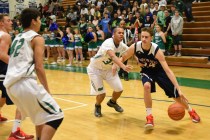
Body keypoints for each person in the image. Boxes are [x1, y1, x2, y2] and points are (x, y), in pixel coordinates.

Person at [119, 27, 200, 130]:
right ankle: (149, 117)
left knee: (175, 96)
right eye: (142, 36)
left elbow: (168, 71)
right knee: (146, 86)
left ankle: (191, 111)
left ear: (151, 38)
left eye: (146, 37)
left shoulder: (156, 50)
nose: (144, 39)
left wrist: (178, 89)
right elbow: (124, 57)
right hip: (147, 71)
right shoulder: (135, 46)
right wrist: (116, 65)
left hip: (159, 72)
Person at [4, 8, 64, 140]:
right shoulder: (37, 38)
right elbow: (39, 67)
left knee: (40, 117)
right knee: (56, 115)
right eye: (38, 20)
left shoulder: (17, 37)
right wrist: (47, 90)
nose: (40, 22)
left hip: (11, 86)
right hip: (24, 83)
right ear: (33, 21)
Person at [0, 13, 34, 140]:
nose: (11, 22)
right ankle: (15, 132)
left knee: (4, 96)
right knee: (21, 99)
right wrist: (18, 67)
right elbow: (2, 54)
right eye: (8, 21)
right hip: (3, 71)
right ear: (1, 23)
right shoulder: (5, 35)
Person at [87, 27, 133, 117]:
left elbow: (131, 51)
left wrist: (139, 60)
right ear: (113, 34)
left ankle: (112, 102)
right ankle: (97, 106)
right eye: (119, 33)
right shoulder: (108, 43)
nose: (121, 34)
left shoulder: (121, 45)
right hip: (96, 70)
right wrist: (122, 66)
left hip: (108, 70)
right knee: (102, 94)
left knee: (119, 89)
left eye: (122, 33)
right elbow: (112, 56)